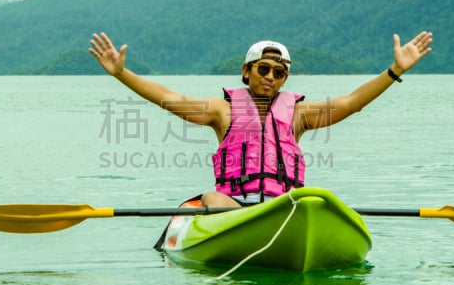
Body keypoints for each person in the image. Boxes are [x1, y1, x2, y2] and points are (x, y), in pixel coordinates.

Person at [89, 31, 432, 208]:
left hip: (284, 204)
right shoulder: (221, 110)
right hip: (233, 204)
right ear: (246, 71)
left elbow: (352, 102)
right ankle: (238, 227)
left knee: (318, 198)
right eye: (263, 69)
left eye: (279, 73)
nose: (270, 77)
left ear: (285, 79)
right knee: (211, 199)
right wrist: (121, 74)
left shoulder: (298, 115)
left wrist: (395, 71)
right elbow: (168, 99)